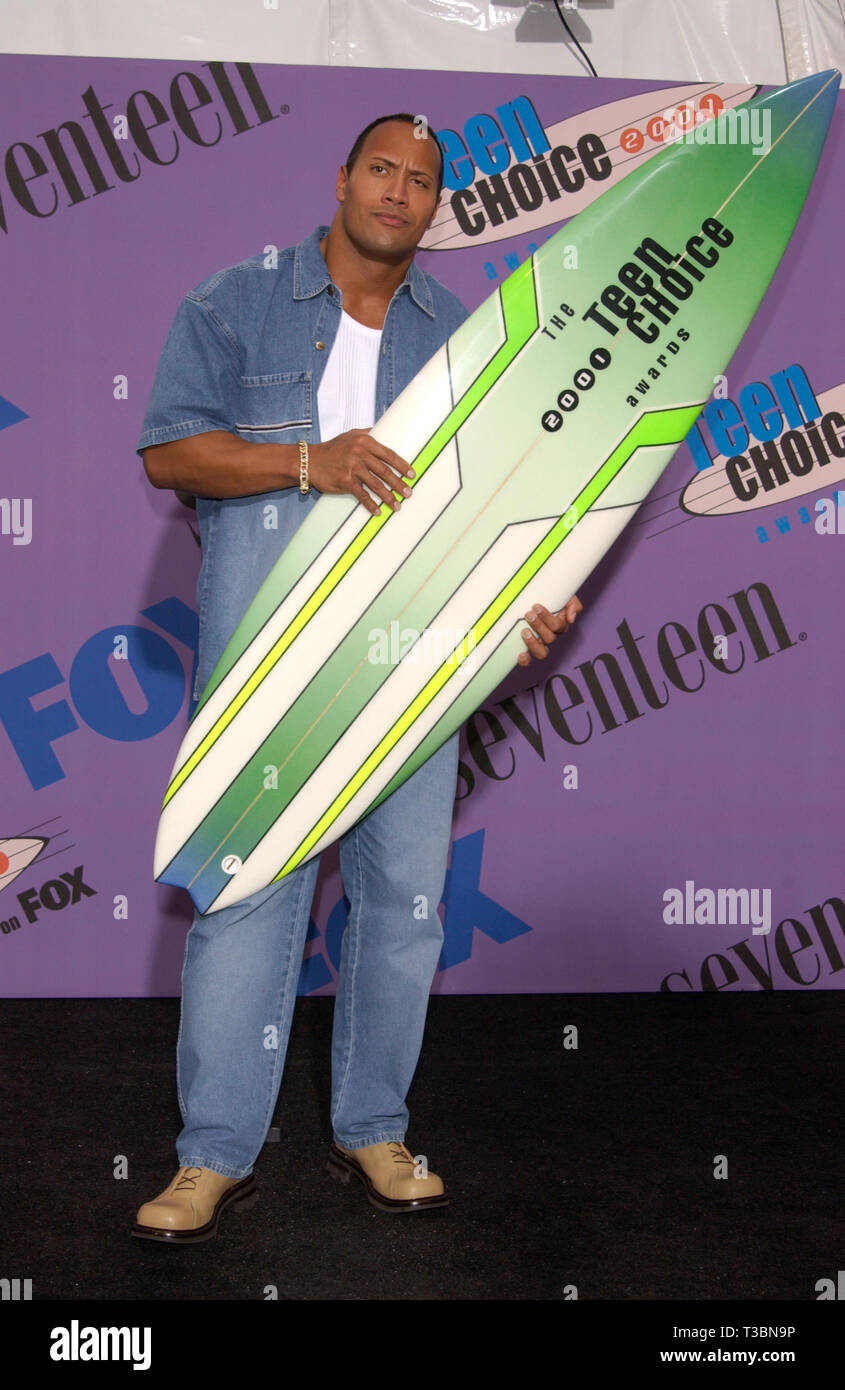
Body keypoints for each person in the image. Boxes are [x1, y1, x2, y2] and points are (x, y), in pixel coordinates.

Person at [132, 112, 583, 1243]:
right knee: (242, 900)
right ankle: (210, 1158)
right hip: (268, 669)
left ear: (436, 208)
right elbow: (168, 448)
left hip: (414, 668)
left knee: (402, 908)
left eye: (420, 181)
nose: (397, 191)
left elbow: (496, 511)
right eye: (380, 168)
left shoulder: (470, 338)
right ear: (341, 180)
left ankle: (373, 1126)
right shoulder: (235, 299)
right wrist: (303, 460)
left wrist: (530, 603)